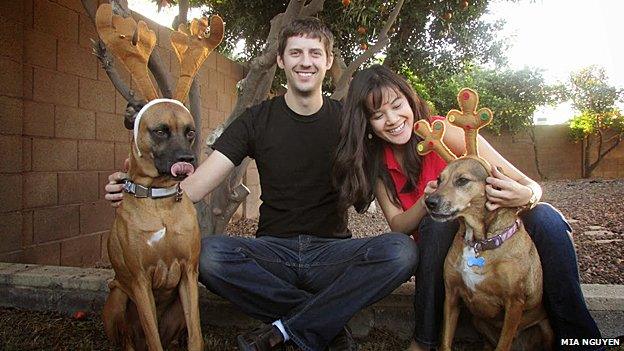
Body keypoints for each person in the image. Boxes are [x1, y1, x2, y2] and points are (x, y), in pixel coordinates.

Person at [106, 19, 417, 351]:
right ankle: (325, 326)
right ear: (281, 61)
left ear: (328, 61)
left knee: (399, 252)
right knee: (210, 256)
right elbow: (194, 188)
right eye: (295, 52)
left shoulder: (348, 121)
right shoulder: (256, 119)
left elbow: (401, 135)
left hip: (331, 254)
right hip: (273, 253)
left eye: (315, 52)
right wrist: (138, 187)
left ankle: (285, 329)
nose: (305, 61)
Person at [333, 65, 603, 351]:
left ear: (410, 101)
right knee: (436, 224)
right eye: (378, 115)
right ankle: (425, 341)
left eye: (397, 105)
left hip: (490, 230)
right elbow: (399, 226)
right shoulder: (378, 165)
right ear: (367, 123)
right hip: (440, 250)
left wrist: (527, 193)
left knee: (547, 217)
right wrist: (428, 202)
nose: (392, 119)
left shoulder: (441, 130)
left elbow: (526, 183)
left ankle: (581, 339)